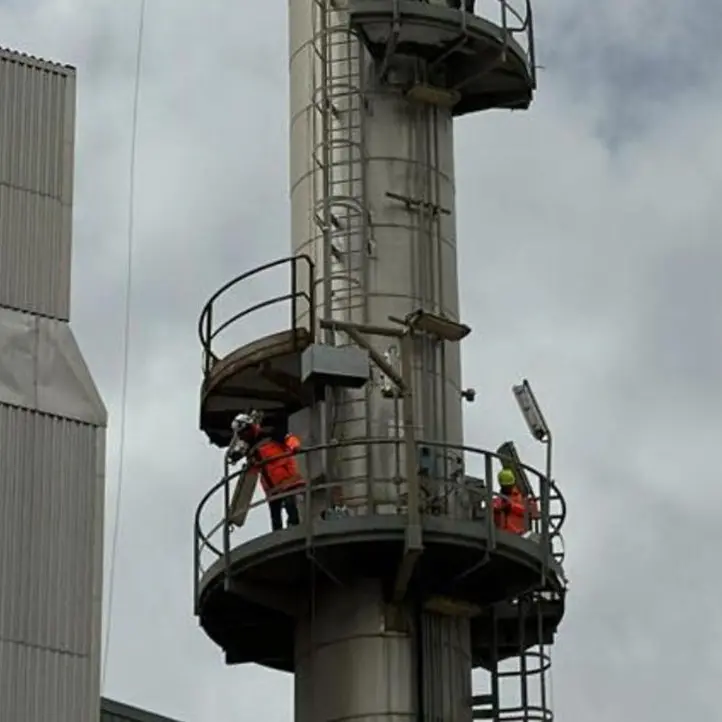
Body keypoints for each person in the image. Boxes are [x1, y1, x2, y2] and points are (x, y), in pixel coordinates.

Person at [227, 412, 304, 532]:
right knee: (275, 517)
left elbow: (288, 438)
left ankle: (295, 529)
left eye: (243, 433)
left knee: (291, 506)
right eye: (241, 435)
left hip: (287, 480)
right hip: (271, 488)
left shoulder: (269, 433)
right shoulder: (251, 449)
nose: (243, 437)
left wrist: (295, 447)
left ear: (250, 428)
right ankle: (278, 536)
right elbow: (255, 469)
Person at [492, 468, 538, 535]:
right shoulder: (497, 500)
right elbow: (493, 509)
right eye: (505, 486)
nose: (507, 488)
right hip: (503, 534)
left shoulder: (522, 498)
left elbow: (532, 513)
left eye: (509, 486)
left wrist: (512, 507)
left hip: (521, 534)